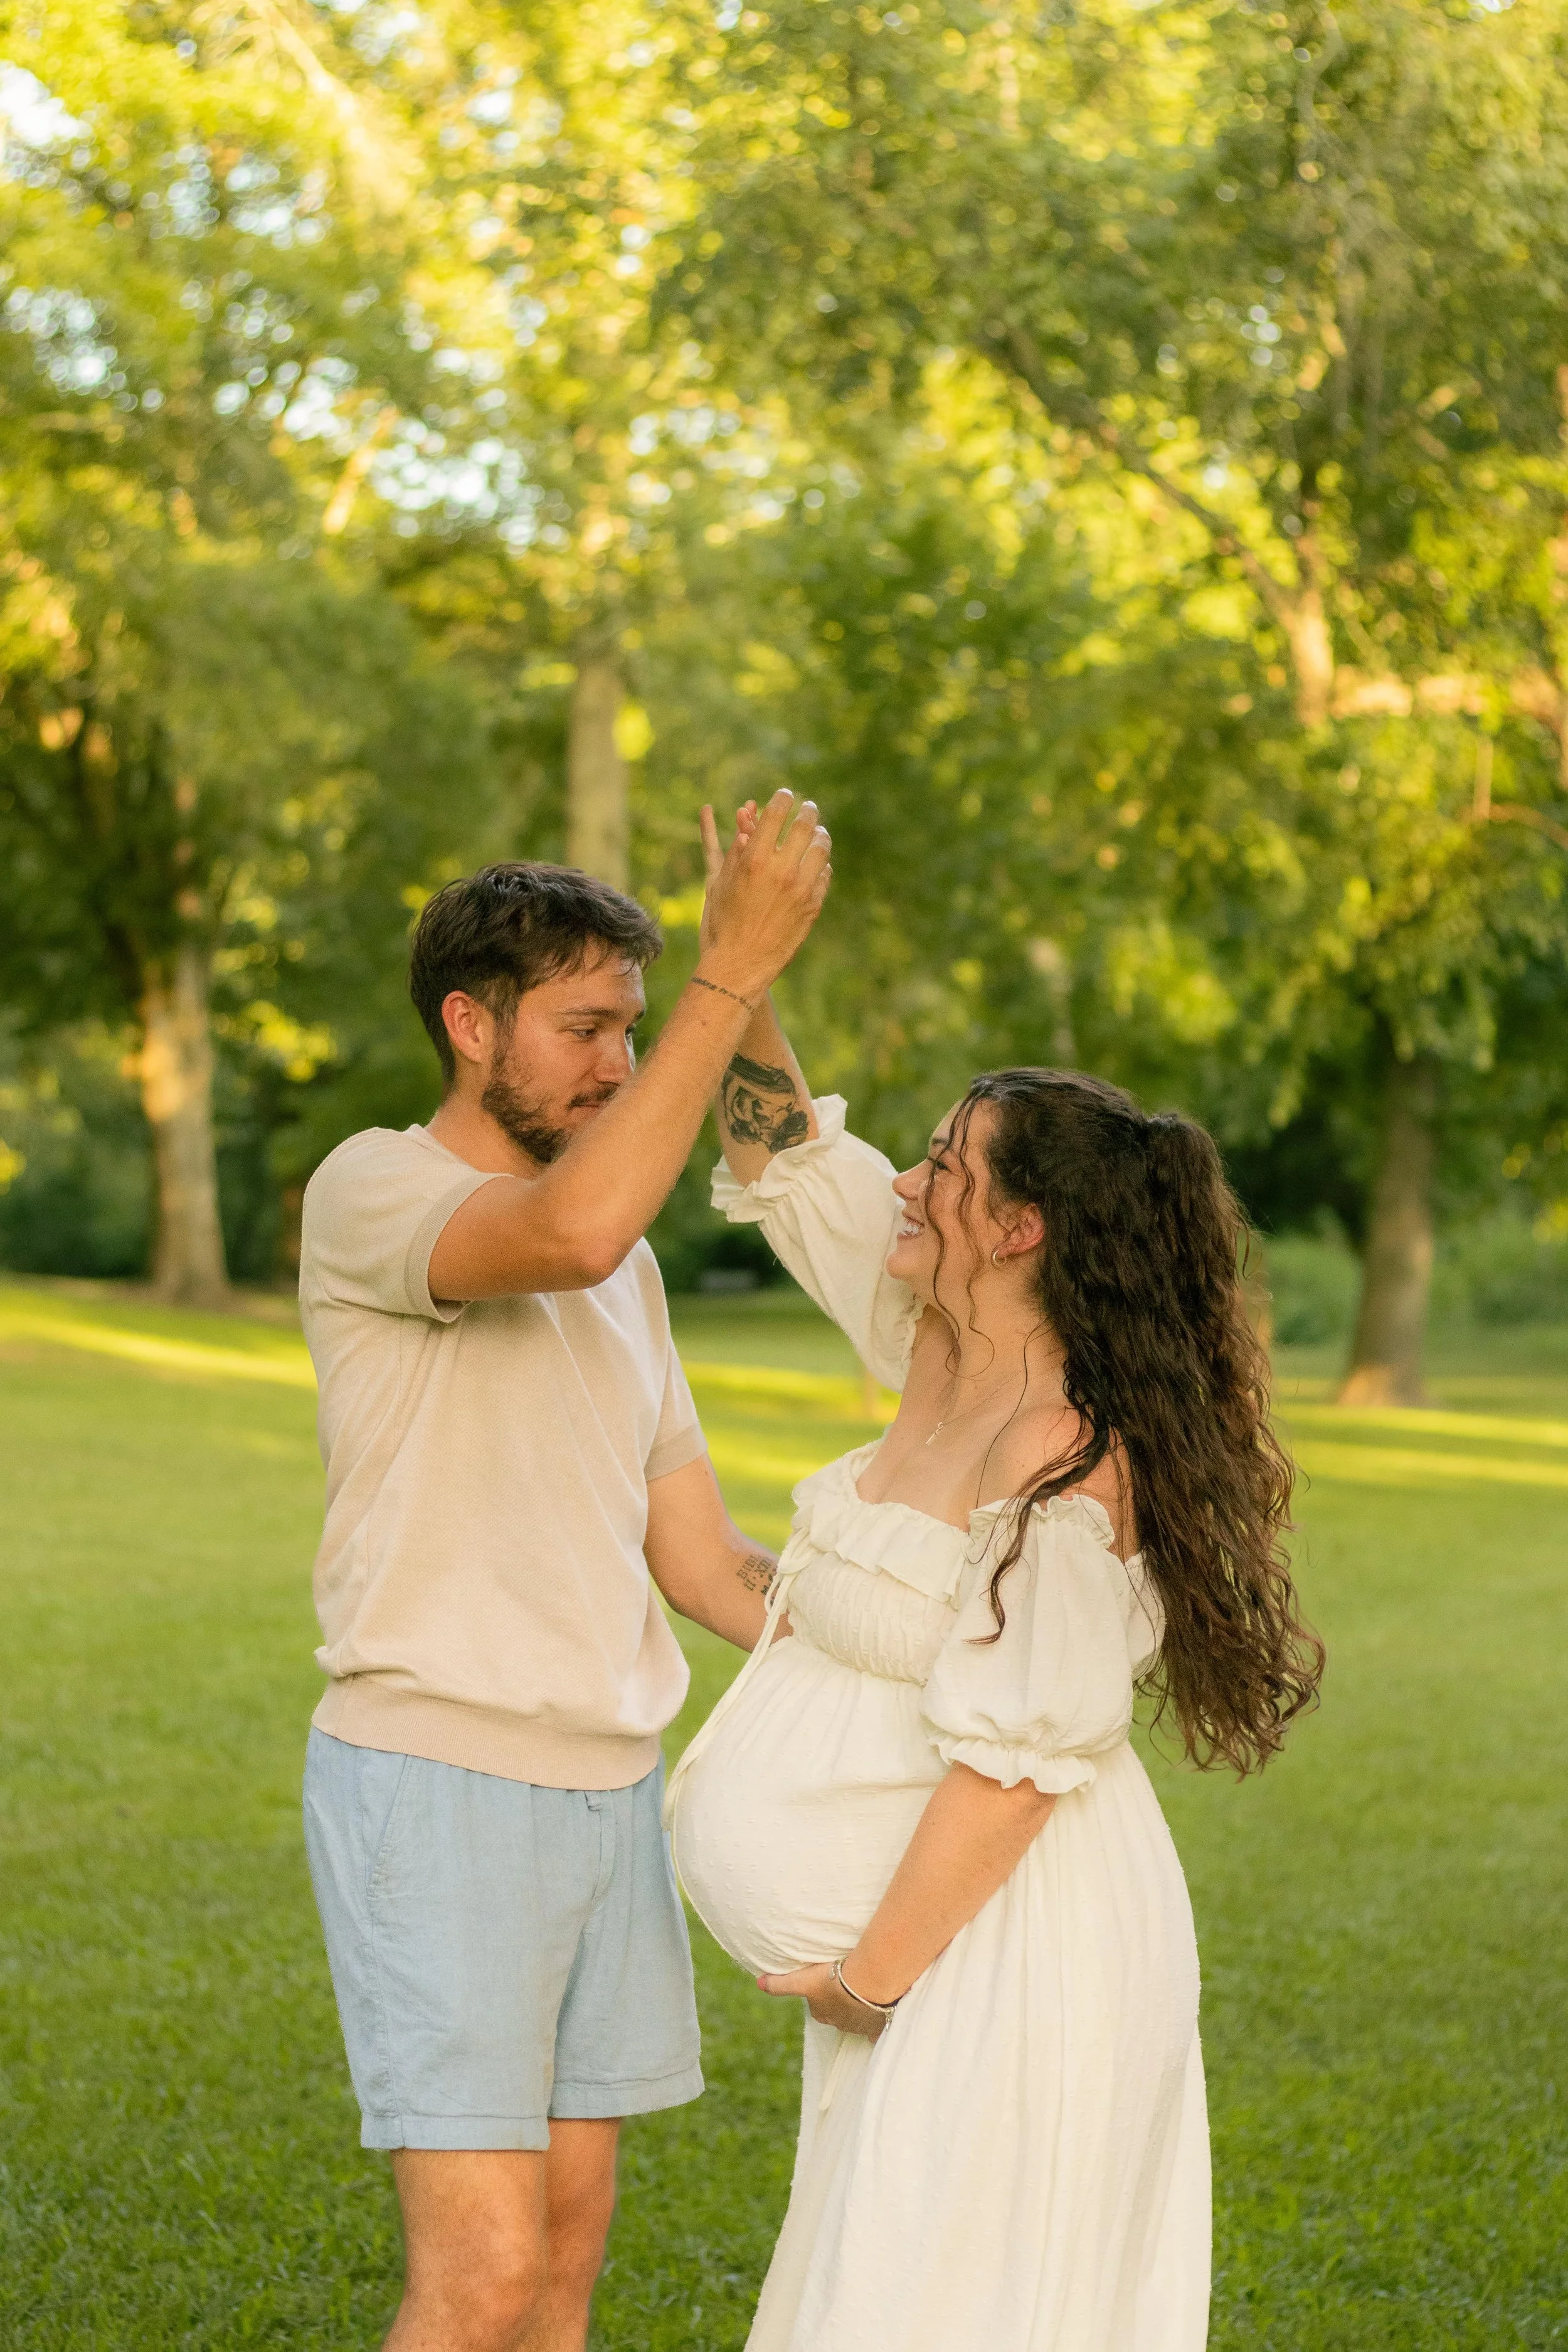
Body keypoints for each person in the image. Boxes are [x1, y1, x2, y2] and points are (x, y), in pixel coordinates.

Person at [667, 856, 1325, 2351]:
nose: (904, 1179)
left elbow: (1009, 1769)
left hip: (1005, 1960)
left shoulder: (1068, 1462)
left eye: (944, 1169)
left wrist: (863, 1983)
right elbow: (778, 1152)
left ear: (1021, 1228)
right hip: (938, 1955)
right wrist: (742, 966)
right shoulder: (925, 1324)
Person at [297, 793, 830, 2352]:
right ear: (470, 1024)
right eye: (585, 1027)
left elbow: (707, 1564)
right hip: (436, 1787)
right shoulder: (374, 1190)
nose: (616, 1061)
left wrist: (934, 1630)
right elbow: (572, 1231)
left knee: (560, 2279)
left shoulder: (634, 1278)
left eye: (634, 1026)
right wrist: (732, 975)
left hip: (607, 1797)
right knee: (476, 2287)